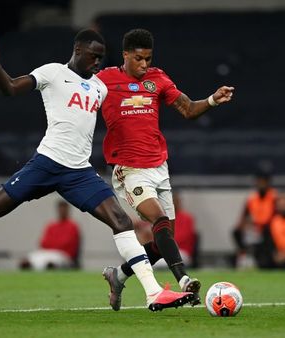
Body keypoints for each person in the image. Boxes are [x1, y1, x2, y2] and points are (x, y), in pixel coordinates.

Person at [0, 29, 193, 311]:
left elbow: (127, 106)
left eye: (101, 58)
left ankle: (153, 293)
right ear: (77, 50)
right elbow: (10, 88)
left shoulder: (99, 87)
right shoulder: (52, 73)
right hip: (47, 163)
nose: (97, 62)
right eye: (93, 56)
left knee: (121, 222)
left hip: (79, 172)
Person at [97, 28, 234, 310]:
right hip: (129, 169)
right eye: (138, 59)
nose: (144, 64)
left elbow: (187, 109)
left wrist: (211, 100)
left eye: (148, 58)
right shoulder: (104, 80)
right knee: (157, 220)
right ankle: (183, 280)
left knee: (162, 242)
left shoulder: (157, 78)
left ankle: (118, 275)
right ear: (125, 55)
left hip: (159, 167)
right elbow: (79, 99)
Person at [232, 172, 277, 269]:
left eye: (263, 182)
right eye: (259, 182)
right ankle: (244, 256)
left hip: (268, 229)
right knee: (236, 232)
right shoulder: (252, 198)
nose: (261, 184)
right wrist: (244, 225)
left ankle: (264, 259)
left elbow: (277, 217)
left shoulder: (274, 197)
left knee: (267, 232)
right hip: (254, 228)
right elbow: (244, 216)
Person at [20, 200, 81, 270]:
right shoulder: (51, 225)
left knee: (51, 261)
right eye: (60, 209)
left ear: (68, 210)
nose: (62, 211)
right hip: (47, 252)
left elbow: (67, 243)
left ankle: (50, 269)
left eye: (64, 209)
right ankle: (28, 268)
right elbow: (43, 243)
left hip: (64, 255)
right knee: (32, 258)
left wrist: (53, 244)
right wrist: (56, 244)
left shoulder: (73, 226)